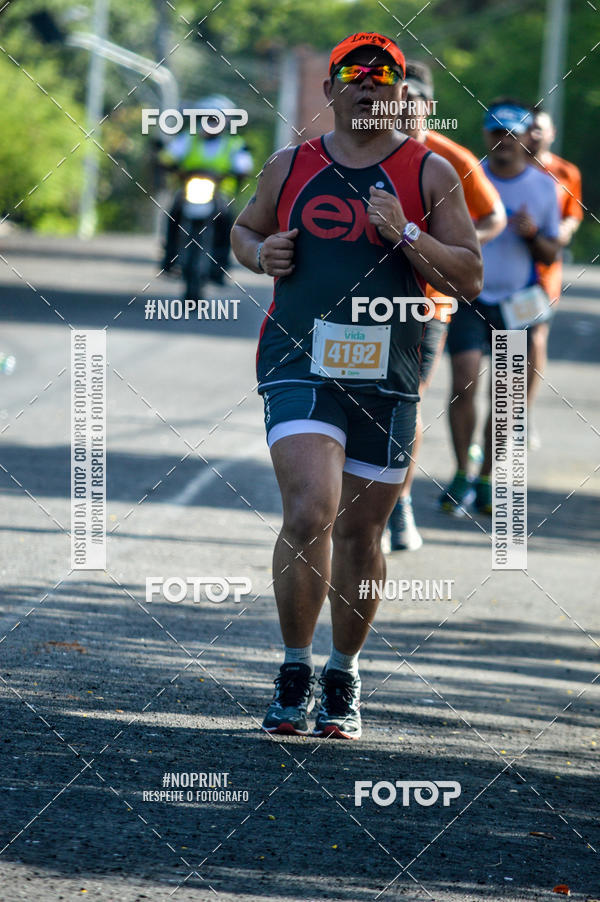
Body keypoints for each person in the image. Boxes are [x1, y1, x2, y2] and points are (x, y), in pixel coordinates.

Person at [231, 33, 482, 739]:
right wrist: (261, 252)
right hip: (299, 361)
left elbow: (469, 275)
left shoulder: (430, 173)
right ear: (331, 90)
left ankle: (343, 672)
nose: (369, 84)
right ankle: (294, 668)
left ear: (402, 92)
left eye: (384, 75)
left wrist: (406, 233)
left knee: (363, 533)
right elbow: (243, 232)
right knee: (311, 510)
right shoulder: (291, 165)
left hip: (388, 375)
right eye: (354, 73)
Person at [386, 60, 506, 551]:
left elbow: (494, 215)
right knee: (354, 398)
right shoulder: (363, 150)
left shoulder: (450, 159)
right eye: (395, 97)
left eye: (411, 99)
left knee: (404, 400)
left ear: (428, 106)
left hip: (427, 302)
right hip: (363, 298)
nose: (401, 107)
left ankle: (399, 504)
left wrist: (453, 247)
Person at [440, 99, 560, 516]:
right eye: (496, 133)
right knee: (463, 383)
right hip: (470, 297)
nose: (504, 141)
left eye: (512, 134)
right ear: (486, 135)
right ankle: (461, 471)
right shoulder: (468, 179)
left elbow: (551, 253)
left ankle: (488, 477)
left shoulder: (543, 186)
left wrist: (531, 234)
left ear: (527, 138)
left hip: (516, 301)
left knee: (506, 397)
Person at [525, 109, 583, 447]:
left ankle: (523, 413)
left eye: (540, 129)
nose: (534, 134)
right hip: (507, 272)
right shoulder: (508, 166)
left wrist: (561, 232)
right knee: (503, 345)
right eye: (529, 128)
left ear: (552, 134)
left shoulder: (565, 172)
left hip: (544, 271)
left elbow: (572, 215)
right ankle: (499, 415)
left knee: (535, 338)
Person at [159, 95, 253, 282]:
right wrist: (168, 164)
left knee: (226, 221)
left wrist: (239, 171)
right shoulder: (188, 138)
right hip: (187, 190)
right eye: (207, 118)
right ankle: (169, 259)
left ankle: (220, 266)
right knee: (173, 214)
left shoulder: (234, 144)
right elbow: (168, 156)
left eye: (216, 119)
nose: (211, 123)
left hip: (219, 193)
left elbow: (244, 165)